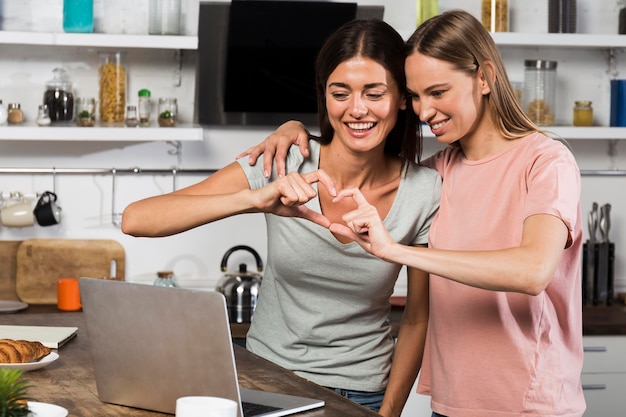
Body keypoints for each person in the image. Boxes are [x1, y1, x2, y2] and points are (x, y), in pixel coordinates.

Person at [238, 9, 586, 417]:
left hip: (528, 405)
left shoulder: (545, 161)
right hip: (451, 402)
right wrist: (292, 127)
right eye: (416, 97)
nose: (422, 111)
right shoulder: (439, 172)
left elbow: (532, 272)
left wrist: (394, 251)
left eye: (438, 92)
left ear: (485, 78)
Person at [121, 19, 441, 415]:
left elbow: (416, 318)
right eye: (340, 93)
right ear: (324, 97)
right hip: (267, 382)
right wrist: (254, 199)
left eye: (374, 93)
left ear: (402, 99)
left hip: (362, 394)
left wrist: (389, 412)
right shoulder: (283, 160)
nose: (357, 109)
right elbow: (137, 219)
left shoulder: (425, 190)